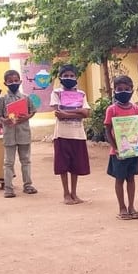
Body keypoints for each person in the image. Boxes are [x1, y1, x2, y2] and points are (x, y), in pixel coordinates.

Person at [104, 75, 138, 220]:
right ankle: (122, 207)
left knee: (131, 178)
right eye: (119, 89)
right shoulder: (112, 110)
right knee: (119, 179)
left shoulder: (137, 109)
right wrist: (115, 148)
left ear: (132, 90)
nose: (123, 92)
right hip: (118, 153)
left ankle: (132, 206)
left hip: (133, 151)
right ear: (114, 91)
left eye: (127, 89)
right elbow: (107, 130)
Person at [49, 64, 91, 205]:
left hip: (78, 134)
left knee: (76, 165)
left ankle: (74, 193)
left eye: (71, 75)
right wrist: (77, 111)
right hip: (61, 134)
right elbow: (58, 114)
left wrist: (67, 113)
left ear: (76, 77)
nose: (69, 78)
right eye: (65, 75)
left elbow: (86, 113)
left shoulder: (82, 94)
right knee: (63, 165)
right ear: (60, 77)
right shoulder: (56, 93)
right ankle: (66, 193)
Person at [0, 69, 37, 198]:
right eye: (10, 81)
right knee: (8, 162)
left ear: (20, 81)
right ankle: (8, 188)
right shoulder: (2, 99)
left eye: (15, 80)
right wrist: (5, 120)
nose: (13, 83)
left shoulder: (26, 97)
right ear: (5, 83)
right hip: (9, 134)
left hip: (23, 132)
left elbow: (32, 111)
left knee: (26, 160)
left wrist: (26, 117)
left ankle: (28, 185)